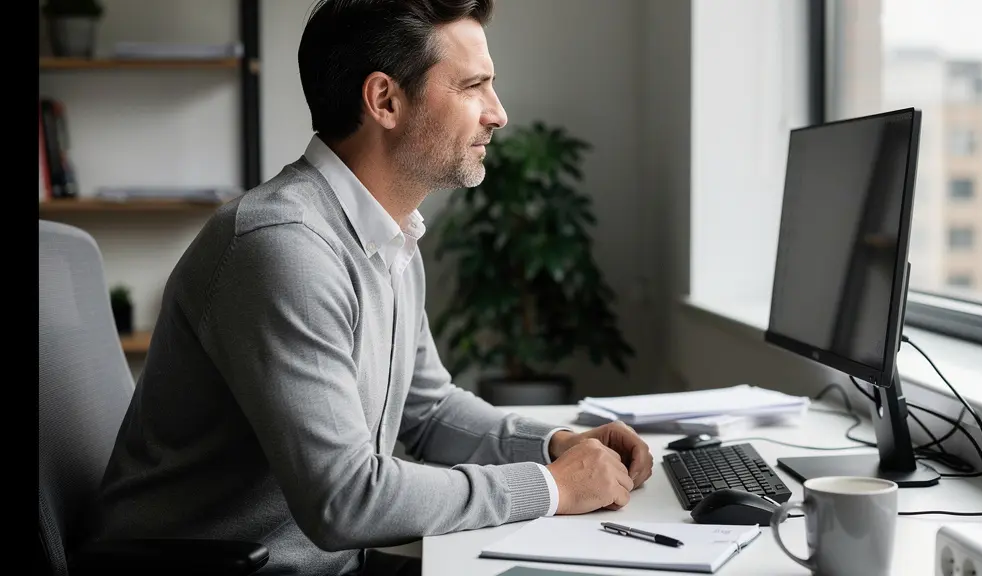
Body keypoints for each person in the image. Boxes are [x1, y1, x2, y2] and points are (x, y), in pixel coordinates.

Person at [83, 1, 654, 574]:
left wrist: (556, 446)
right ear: (385, 100)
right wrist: (548, 487)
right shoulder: (282, 249)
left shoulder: (390, 236)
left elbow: (430, 412)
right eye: (473, 86)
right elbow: (346, 499)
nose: (498, 114)